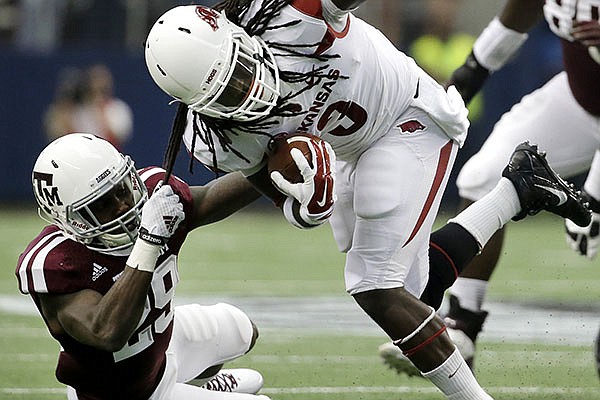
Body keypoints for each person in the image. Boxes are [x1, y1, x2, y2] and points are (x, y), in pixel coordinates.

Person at [143, 2, 591, 398]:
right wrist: (304, 205)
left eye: (240, 69)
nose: (248, 90)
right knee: (413, 296)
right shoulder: (215, 138)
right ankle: (519, 189)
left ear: (236, 37)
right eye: (226, 94)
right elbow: (276, 191)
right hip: (346, 150)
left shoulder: (290, 15)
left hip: (408, 118)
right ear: (195, 104)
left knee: (374, 286)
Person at [378, 0, 600, 375]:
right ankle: (462, 323)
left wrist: (594, 195)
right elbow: (522, 11)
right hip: (581, 102)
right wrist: (466, 79)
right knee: (484, 175)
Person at [16, 133, 271, 400]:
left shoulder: (153, 197)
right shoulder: (57, 262)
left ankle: (193, 387)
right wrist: (149, 241)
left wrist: (274, 171)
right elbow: (106, 332)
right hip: (123, 393)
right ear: (72, 219)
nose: (123, 205)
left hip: (163, 343)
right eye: (102, 203)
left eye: (122, 189)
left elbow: (208, 198)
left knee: (242, 329)